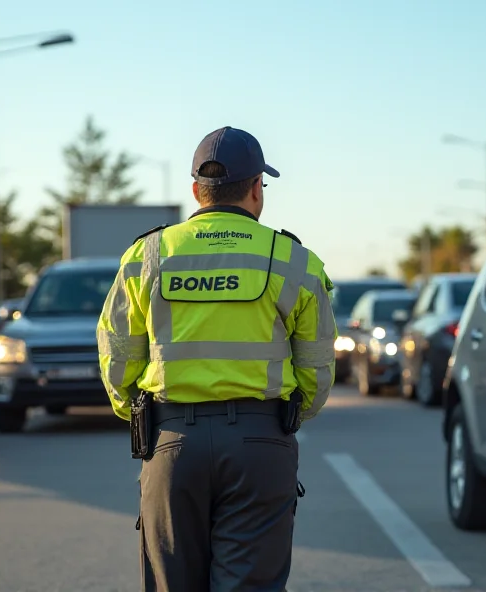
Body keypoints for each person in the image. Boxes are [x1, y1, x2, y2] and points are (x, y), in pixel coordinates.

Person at [96, 126, 337, 592]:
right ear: (255, 189)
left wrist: (138, 413)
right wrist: (284, 417)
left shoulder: (146, 255)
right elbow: (317, 364)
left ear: (196, 191)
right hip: (260, 446)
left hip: (170, 443)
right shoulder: (294, 260)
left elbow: (117, 350)